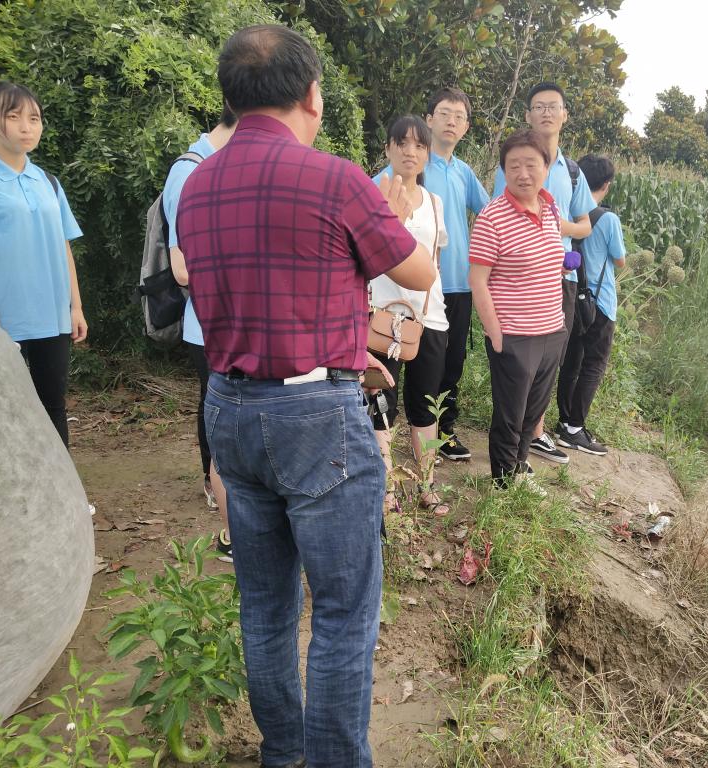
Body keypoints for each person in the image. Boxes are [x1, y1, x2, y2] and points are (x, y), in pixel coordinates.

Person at [175, 25, 435, 768]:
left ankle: (283, 753)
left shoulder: (197, 185)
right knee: (344, 615)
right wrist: (397, 213)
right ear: (312, 96)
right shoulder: (337, 179)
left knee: (264, 607)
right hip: (317, 417)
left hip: (229, 407)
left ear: (231, 96)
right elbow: (418, 272)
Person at [0, 80, 87, 448]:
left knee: (53, 406)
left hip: (52, 317)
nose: (27, 127)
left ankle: (59, 486)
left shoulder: (48, 181)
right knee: (0, 411)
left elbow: (63, 246)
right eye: (14, 117)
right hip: (0, 320)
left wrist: (75, 306)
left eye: (34, 118)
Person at [373, 87, 488, 461]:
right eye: (444, 113)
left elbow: (486, 213)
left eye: (459, 116)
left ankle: (440, 442)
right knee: (381, 390)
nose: (452, 121)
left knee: (444, 372)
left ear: (466, 126)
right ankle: (382, 469)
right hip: (390, 304)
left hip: (443, 294)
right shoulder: (383, 184)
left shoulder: (460, 174)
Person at [492, 82, 594, 465]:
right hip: (519, 280)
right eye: (539, 106)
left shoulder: (571, 171)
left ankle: (533, 432)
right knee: (518, 364)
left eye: (553, 106)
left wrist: (552, 226)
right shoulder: (513, 162)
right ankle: (516, 443)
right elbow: (500, 216)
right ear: (528, 115)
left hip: (560, 279)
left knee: (550, 361)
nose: (546, 112)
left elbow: (585, 224)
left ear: (564, 115)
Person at [471, 129, 567, 490]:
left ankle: (519, 468)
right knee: (511, 413)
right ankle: (502, 483)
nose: (523, 174)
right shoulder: (492, 217)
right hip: (514, 334)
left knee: (534, 410)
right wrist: (495, 332)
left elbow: (547, 258)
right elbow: (477, 279)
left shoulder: (551, 208)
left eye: (531, 164)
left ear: (546, 166)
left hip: (551, 329)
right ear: (504, 171)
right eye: (514, 166)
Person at [162, 104, 237, 560]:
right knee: (215, 409)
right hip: (208, 323)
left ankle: (221, 484)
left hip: (237, 323)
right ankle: (215, 485)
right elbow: (181, 266)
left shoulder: (230, 164)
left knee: (221, 407)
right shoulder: (189, 171)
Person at [368, 115, 450, 515]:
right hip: (382, 320)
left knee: (426, 404)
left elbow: (435, 261)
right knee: (381, 402)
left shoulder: (435, 203)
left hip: (429, 319)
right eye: (401, 143)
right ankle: (386, 486)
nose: (410, 152)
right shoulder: (371, 196)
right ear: (387, 148)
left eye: (419, 145)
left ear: (427, 154)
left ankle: (426, 483)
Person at [555, 154, 626, 455]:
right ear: (606, 185)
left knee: (571, 362)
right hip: (601, 303)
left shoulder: (571, 215)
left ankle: (564, 422)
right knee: (593, 365)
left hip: (573, 296)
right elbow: (620, 260)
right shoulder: (608, 220)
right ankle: (575, 428)